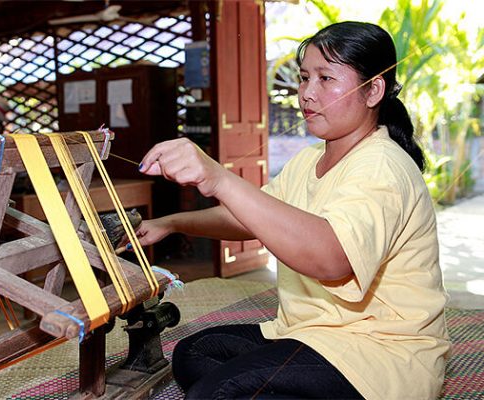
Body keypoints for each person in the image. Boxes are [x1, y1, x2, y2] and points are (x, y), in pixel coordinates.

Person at [134, 21, 450, 399]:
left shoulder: (383, 166)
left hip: (379, 351)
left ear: (373, 91)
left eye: (326, 78)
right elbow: (250, 217)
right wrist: (170, 223)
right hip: (313, 334)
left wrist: (218, 178)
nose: (307, 94)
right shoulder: (310, 159)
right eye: (303, 78)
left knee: (216, 390)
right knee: (194, 353)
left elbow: (332, 259)